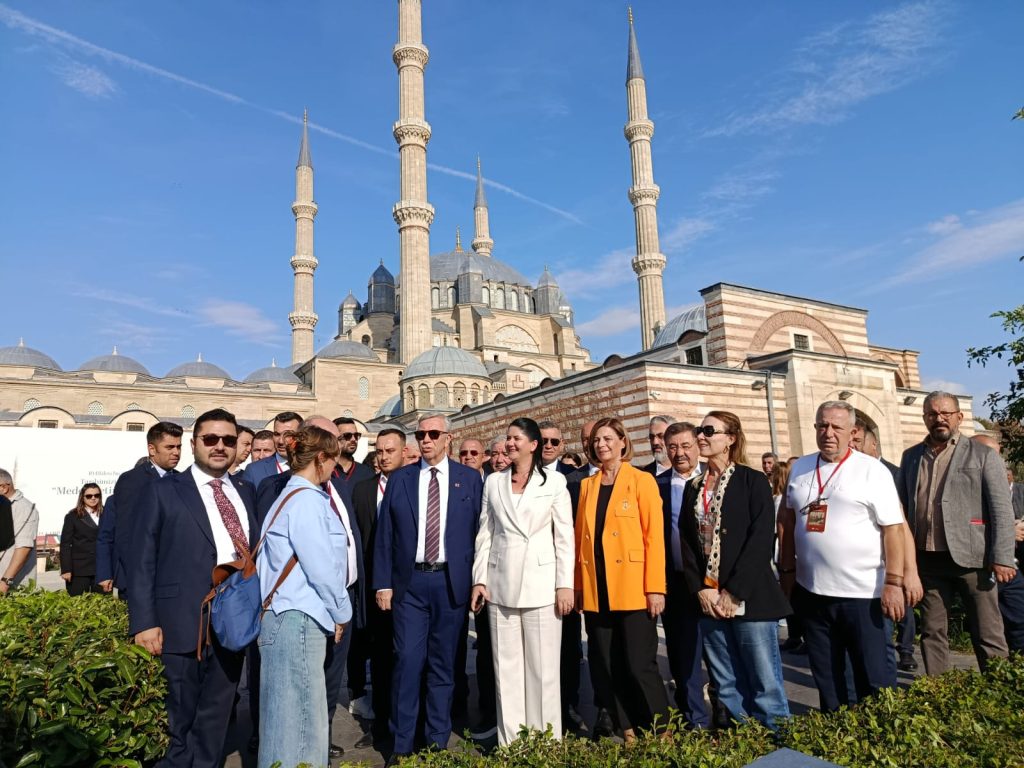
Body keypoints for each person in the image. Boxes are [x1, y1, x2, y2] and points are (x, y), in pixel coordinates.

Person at [129, 408, 256, 768]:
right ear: (194, 443)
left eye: (228, 440)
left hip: (231, 624)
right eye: (210, 439)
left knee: (215, 721)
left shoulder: (245, 491)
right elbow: (141, 559)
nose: (220, 446)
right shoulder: (163, 490)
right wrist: (144, 621)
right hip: (179, 622)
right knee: (177, 724)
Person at [777, 401, 909, 712]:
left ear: (853, 432)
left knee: (873, 676)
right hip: (812, 591)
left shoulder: (872, 470)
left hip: (863, 594)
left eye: (837, 427)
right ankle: (836, 730)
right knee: (828, 675)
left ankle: (880, 732)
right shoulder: (800, 467)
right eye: (822, 426)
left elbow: (894, 529)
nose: (828, 433)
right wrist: (787, 571)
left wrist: (894, 582)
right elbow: (787, 520)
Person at [250, 416, 364, 761]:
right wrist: (342, 612)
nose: (334, 469)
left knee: (284, 722)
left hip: (286, 617)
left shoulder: (290, 496)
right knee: (300, 725)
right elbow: (322, 568)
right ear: (320, 459)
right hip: (298, 620)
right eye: (332, 461)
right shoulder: (307, 501)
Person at [373, 415, 484, 763]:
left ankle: (437, 741)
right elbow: (385, 533)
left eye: (433, 434)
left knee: (443, 665)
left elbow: (480, 533)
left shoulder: (469, 479)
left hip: (451, 583)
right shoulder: (402, 478)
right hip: (410, 585)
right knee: (407, 661)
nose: (426, 440)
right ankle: (402, 744)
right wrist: (383, 583)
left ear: (448, 438)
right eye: (420, 434)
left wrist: (478, 580)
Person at [680, 411, 790, 729]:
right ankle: (746, 744)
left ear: (730, 438)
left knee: (764, 683)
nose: (701, 436)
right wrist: (700, 588)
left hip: (750, 598)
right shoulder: (693, 487)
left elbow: (760, 540)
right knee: (726, 683)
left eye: (709, 430)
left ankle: (779, 745)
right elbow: (687, 542)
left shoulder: (751, 480)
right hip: (709, 600)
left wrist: (734, 591)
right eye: (700, 430)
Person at [896, 392, 1016, 674]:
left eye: (945, 413)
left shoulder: (983, 455)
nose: (939, 419)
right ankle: (939, 690)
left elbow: (1001, 509)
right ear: (925, 418)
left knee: (988, 631)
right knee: (932, 631)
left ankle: (998, 686)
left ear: (959, 417)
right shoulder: (911, 457)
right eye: (932, 414)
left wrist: (1002, 556)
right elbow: (901, 508)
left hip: (973, 559)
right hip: (927, 559)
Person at [471, 418, 574, 744]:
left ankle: (545, 744)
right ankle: (512, 744)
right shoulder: (493, 483)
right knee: (506, 669)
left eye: (517, 438)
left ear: (533, 444)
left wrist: (565, 584)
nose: (510, 443)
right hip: (500, 584)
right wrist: (479, 579)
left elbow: (564, 537)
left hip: (541, 585)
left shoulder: (554, 482)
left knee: (543, 671)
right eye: (508, 438)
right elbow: (485, 534)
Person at [575, 417, 669, 741]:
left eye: (607, 439)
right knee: (606, 663)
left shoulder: (641, 481)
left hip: (633, 588)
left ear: (622, 442)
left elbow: (654, 538)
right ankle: (626, 727)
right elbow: (580, 539)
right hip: (597, 588)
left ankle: (660, 728)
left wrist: (655, 587)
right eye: (596, 440)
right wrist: (578, 585)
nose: (601, 445)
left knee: (639, 663)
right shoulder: (587, 486)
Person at [351, 429, 406, 747]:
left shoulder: (415, 484)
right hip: (375, 589)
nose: (383, 456)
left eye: (390, 450)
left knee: (409, 658)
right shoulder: (362, 490)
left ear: (403, 451)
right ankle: (382, 724)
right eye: (379, 451)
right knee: (382, 657)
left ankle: (410, 721)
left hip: (410, 588)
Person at [656, 422, 709, 728]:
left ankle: (727, 712)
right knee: (682, 652)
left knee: (719, 652)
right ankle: (694, 718)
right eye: (673, 447)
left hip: (714, 582)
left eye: (686, 446)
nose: (679, 453)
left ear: (697, 446)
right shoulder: (657, 485)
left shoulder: (715, 479)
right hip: (675, 582)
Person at [563, 419, 611, 736]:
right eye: (587, 439)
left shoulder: (635, 477)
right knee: (598, 646)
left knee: (630, 650)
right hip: (590, 578)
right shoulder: (573, 482)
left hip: (624, 578)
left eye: (597, 437)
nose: (592, 444)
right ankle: (604, 709)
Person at [102, 422, 183, 597]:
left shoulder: (182, 480)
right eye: (169, 447)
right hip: (142, 579)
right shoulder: (132, 480)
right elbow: (126, 534)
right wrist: (138, 577)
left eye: (179, 447)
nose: (176, 452)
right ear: (152, 449)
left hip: (175, 577)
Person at [59, 483, 106, 596]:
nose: (93, 498)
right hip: (79, 570)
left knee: (102, 604)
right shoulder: (72, 516)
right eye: (89, 496)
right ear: (82, 497)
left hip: (102, 569)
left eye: (96, 495)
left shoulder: (107, 514)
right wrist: (66, 569)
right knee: (77, 603)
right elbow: (65, 544)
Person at [0, 468, 39, 594]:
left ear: (3, 488)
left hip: (12, 587)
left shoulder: (23, 508)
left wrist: (5, 582)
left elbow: (24, 548)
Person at [243, 411, 303, 491]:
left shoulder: (312, 466)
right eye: (277, 434)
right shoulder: (254, 470)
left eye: (288, 435)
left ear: (301, 436)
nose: (280, 441)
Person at [333, 417, 375, 500]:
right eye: (347, 436)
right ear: (334, 438)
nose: (353, 439)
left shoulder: (367, 473)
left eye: (356, 435)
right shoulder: (326, 472)